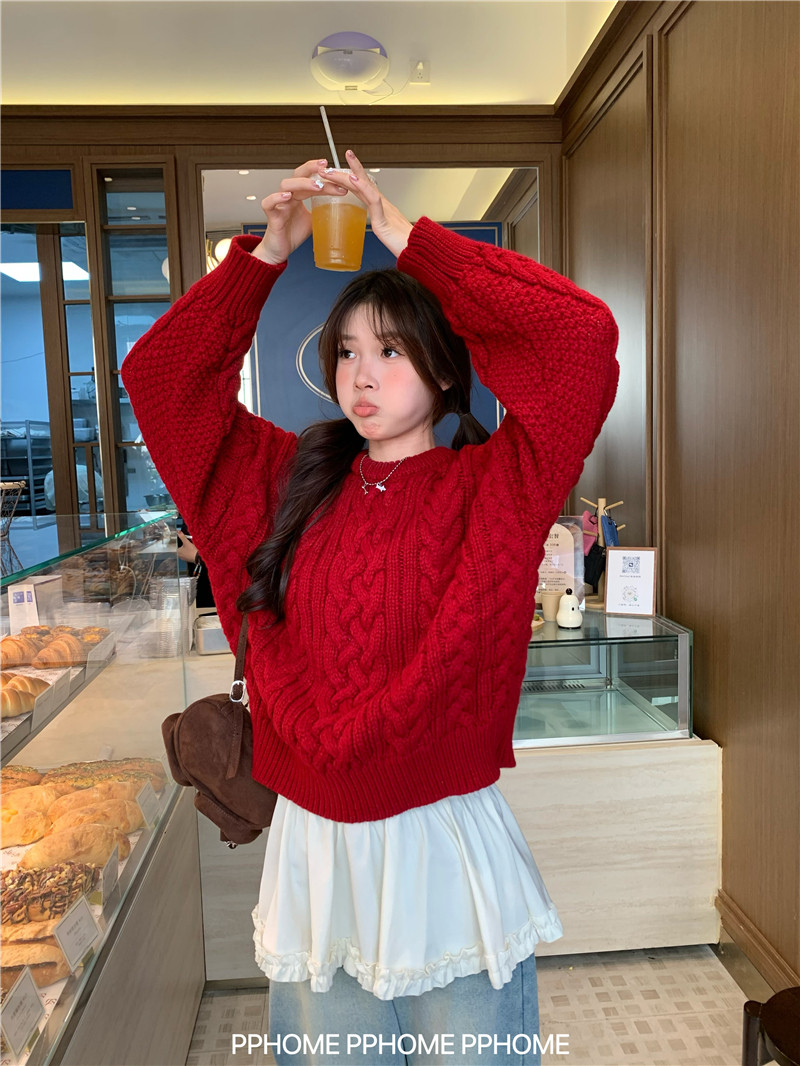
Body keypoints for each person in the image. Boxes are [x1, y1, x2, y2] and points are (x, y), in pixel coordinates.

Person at [122, 152, 620, 1065]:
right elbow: (159, 379)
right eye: (347, 350)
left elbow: (580, 340)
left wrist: (407, 236)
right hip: (317, 853)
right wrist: (265, 257)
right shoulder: (287, 480)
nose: (362, 373)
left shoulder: (497, 486)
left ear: (443, 368)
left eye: (390, 350)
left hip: (443, 848)